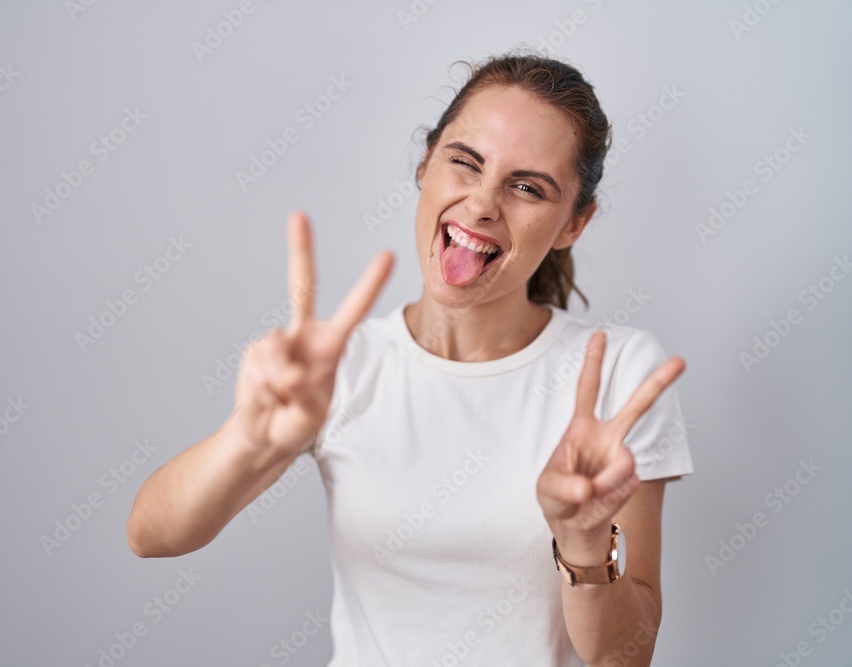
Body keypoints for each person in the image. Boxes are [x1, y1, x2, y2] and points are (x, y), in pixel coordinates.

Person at [126, 49, 694, 666]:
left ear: (573, 223)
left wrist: (584, 546)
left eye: (527, 187)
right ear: (426, 164)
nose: (482, 204)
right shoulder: (335, 370)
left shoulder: (619, 374)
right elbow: (150, 536)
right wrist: (250, 436)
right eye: (465, 163)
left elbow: (624, 658)